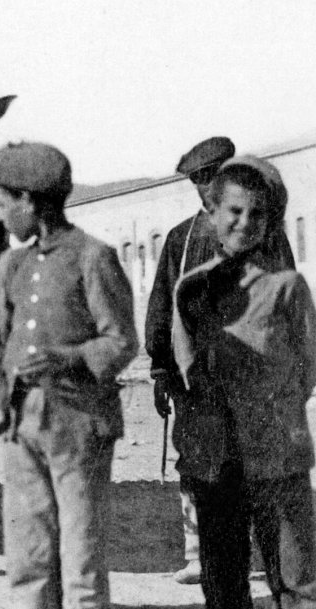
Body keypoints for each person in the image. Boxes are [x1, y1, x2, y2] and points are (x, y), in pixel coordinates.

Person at [0, 143, 139, 609]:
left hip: (79, 429)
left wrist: (68, 358)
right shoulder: (10, 263)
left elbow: (121, 341)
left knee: (82, 566)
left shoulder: (93, 257)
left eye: (4, 204)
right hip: (22, 430)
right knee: (28, 561)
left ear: (30, 200)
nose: (0, 216)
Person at [172, 156, 316, 609]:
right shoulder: (190, 291)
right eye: (232, 211)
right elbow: (185, 369)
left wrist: (263, 413)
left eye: (257, 215)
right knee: (225, 592)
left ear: (269, 223)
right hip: (216, 465)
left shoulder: (288, 291)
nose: (242, 223)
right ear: (210, 213)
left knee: (300, 589)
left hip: (278, 462)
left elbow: (307, 372)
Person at [144, 137, 296, 585]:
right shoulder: (180, 238)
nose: (205, 188)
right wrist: (159, 369)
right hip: (198, 377)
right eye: (197, 181)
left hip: (256, 374)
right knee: (198, 456)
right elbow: (161, 306)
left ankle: (269, 558)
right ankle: (198, 551)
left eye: (212, 176)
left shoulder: (266, 234)